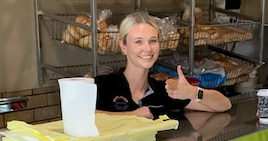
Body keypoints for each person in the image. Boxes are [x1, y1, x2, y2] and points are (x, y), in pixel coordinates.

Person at [95, 11, 232, 118]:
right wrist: (133, 116)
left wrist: (194, 92)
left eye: (153, 41)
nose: (148, 48)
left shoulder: (164, 90)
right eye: (138, 42)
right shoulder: (103, 85)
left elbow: (224, 104)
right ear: (123, 47)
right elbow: (76, 116)